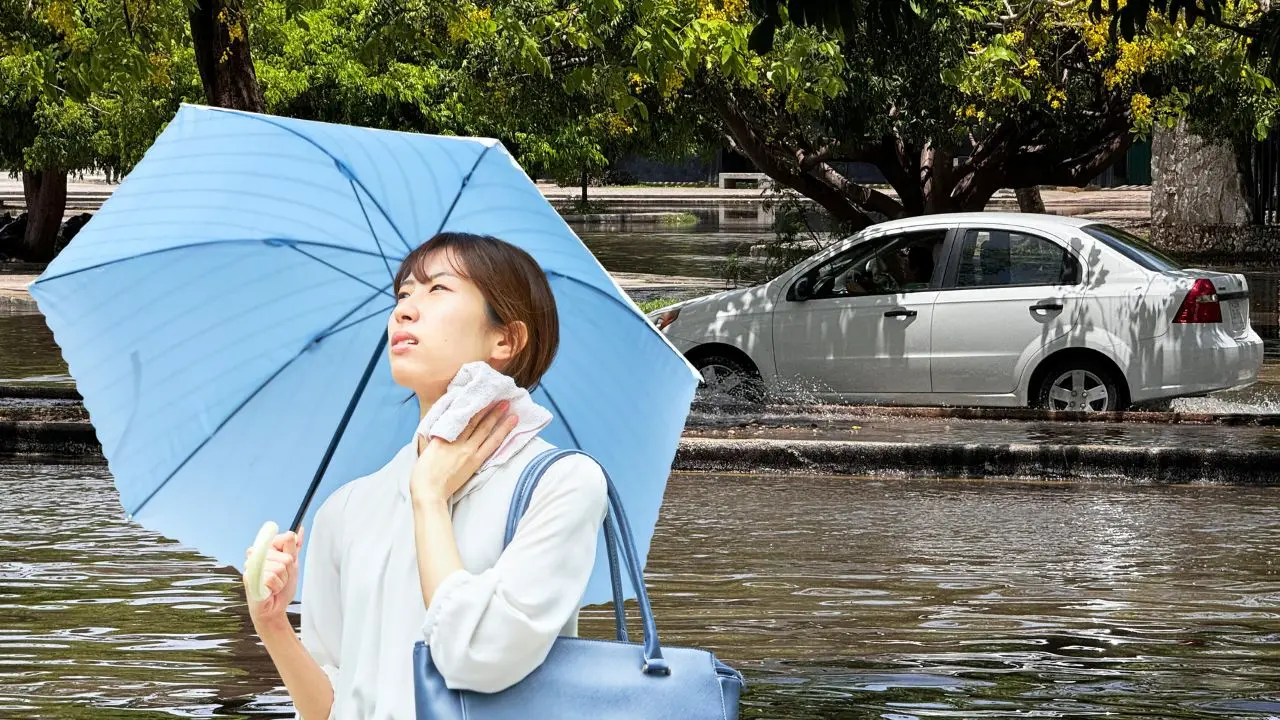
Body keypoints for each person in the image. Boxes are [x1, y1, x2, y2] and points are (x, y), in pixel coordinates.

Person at [242, 232, 609, 720]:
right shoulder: (346, 508)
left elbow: (474, 658)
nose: (405, 310)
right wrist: (273, 626)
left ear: (507, 338)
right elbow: (330, 708)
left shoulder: (561, 484)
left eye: (438, 290)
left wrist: (430, 497)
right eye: (403, 294)